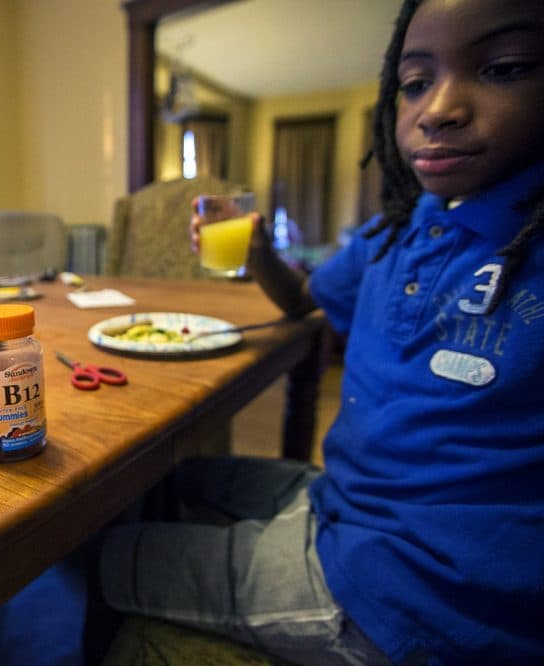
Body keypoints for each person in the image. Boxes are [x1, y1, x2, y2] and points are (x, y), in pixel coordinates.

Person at [99, 0, 544, 663]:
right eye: (415, 83)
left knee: (105, 549)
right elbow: (304, 299)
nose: (438, 108)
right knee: (164, 480)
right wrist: (256, 251)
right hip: (343, 501)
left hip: (409, 594)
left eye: (502, 67)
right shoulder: (396, 229)